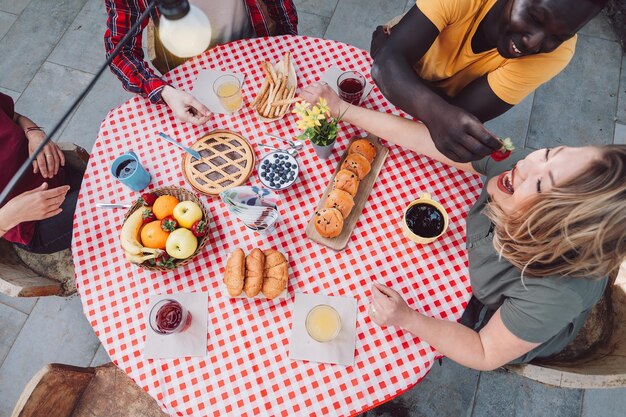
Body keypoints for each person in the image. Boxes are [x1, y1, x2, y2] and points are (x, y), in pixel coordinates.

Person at [300, 83, 626, 369]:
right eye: (550, 153)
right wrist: (343, 109)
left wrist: (408, 318)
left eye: (542, 184)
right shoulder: (522, 168)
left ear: (558, 227)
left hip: (506, 323)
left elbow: (484, 351)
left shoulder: (551, 294)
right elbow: (434, 142)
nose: (527, 162)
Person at [370, 0, 608, 163]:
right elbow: (383, 67)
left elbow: (462, 117)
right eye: (534, 17)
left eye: (558, 36)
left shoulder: (557, 53)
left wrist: (398, 68)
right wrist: (441, 111)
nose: (534, 43)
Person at [105, 0, 298, 126]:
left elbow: (280, 4)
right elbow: (120, 52)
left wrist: (290, 41)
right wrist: (165, 92)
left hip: (256, 48)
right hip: (191, 68)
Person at [0, 92, 83, 254]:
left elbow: (15, 117)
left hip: (60, 174)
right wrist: (8, 215)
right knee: (113, 199)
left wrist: (33, 132)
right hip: (36, 224)